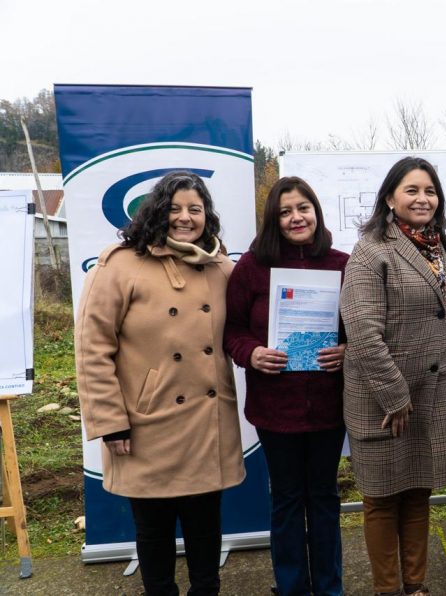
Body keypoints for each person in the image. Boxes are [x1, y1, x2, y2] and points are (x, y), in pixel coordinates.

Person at [75, 171, 245, 596]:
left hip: (206, 422)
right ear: (155, 211)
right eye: (174, 208)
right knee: (153, 532)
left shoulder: (220, 266)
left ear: (207, 216)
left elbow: (249, 326)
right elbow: (92, 347)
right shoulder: (119, 264)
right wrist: (110, 421)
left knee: (206, 528)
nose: (185, 217)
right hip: (145, 423)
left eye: (195, 209)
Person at [224, 177, 348, 596]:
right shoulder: (252, 267)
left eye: (303, 208)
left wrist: (347, 350)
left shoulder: (342, 263)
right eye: (285, 211)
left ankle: (330, 587)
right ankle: (292, 587)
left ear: (316, 211)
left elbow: (361, 328)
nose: (296, 217)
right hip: (275, 410)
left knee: (325, 500)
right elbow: (232, 330)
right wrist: (252, 353)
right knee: (288, 501)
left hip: (330, 408)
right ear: (273, 219)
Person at [340, 157, 446, 596]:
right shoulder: (372, 250)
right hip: (383, 399)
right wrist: (395, 396)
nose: (422, 198)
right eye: (412, 190)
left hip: (431, 395)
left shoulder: (438, 248)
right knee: (381, 499)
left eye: (430, 191)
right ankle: (388, 589)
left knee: (418, 492)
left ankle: (417, 585)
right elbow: (363, 331)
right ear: (390, 198)